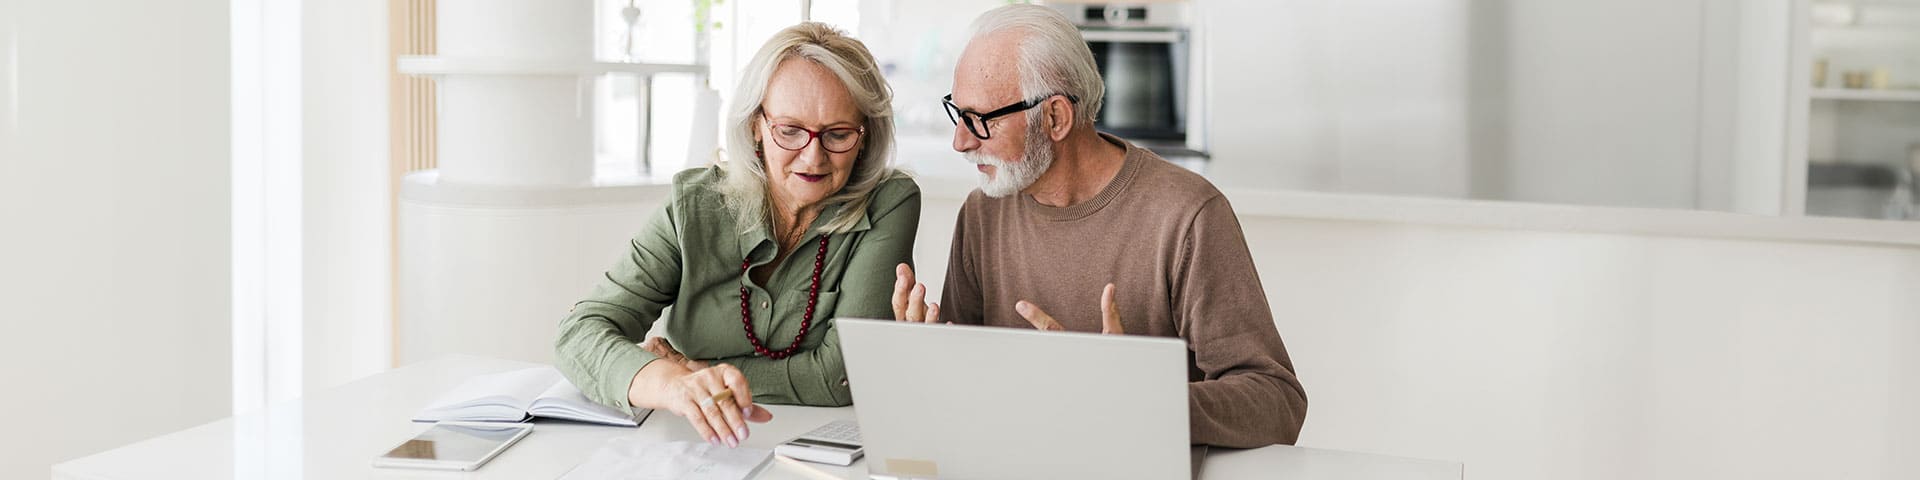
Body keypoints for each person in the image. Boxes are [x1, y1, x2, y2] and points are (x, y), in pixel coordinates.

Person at [890, 5, 1307, 448]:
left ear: (1055, 118)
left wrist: (1140, 400)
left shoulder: (1187, 215)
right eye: (958, 112)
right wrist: (925, 362)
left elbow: (1277, 402)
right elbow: (969, 390)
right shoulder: (982, 213)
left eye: (980, 120)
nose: (961, 141)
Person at [555, 22, 920, 449]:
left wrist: (702, 372)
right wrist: (673, 385)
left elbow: (842, 374)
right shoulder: (694, 206)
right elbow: (579, 333)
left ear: (865, 137)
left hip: (816, 450)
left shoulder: (889, 203)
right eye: (790, 130)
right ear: (755, 126)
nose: (814, 155)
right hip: (684, 442)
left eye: (838, 134)